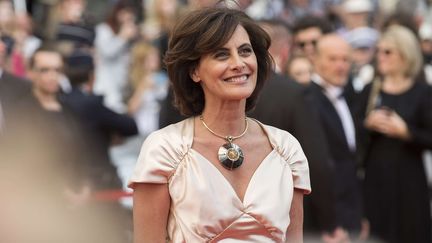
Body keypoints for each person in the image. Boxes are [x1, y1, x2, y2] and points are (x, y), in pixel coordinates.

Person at [129, 6, 311, 242]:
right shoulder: (165, 149)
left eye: (245, 51)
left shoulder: (286, 149)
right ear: (194, 70)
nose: (238, 63)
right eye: (221, 54)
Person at [355, 25, 432, 243]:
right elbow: (350, 134)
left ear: (405, 54)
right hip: (375, 180)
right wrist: (367, 124)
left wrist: (406, 132)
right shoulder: (370, 89)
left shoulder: (423, 92)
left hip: (410, 181)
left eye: (387, 51)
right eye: (378, 50)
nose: (380, 56)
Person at [307, 34, 365, 240]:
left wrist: (359, 215)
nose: (341, 66)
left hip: (351, 209)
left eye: (345, 59)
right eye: (333, 59)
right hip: (326, 218)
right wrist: (329, 223)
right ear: (315, 59)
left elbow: (350, 159)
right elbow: (315, 166)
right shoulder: (306, 100)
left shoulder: (349, 95)